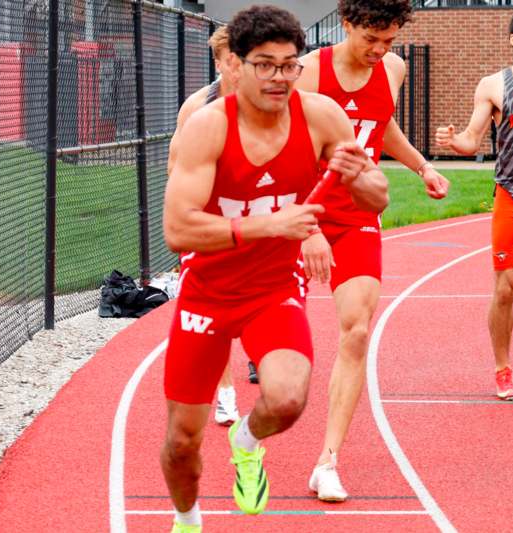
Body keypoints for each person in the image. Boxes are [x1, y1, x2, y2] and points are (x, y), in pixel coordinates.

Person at [161, 6, 389, 532]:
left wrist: (359, 176)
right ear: (236, 66)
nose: (279, 77)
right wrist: (268, 226)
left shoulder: (322, 117)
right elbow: (179, 229)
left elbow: (375, 199)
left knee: (287, 400)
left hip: (272, 289)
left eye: (289, 65)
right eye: (264, 64)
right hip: (207, 293)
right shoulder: (207, 127)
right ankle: (187, 520)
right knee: (181, 442)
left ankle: (246, 441)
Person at [293, 0, 451, 503]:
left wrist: (421, 166)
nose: (380, 51)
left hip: (357, 215)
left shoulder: (394, 68)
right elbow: (287, 148)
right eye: (371, 41)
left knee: (357, 331)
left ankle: (328, 461)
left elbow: (380, 128)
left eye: (389, 42)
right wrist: (307, 229)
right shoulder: (311, 71)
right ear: (347, 25)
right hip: (299, 214)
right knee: (271, 346)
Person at [436, 7, 513, 402]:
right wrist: (454, 142)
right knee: (505, 289)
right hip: (512, 198)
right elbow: (473, 139)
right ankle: (503, 370)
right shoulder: (493, 85)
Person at [168, 26, 248, 428]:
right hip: (212, 221)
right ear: (218, 63)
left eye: (241, 59)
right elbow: (174, 168)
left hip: (257, 217)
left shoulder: (272, 104)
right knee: (215, 315)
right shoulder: (197, 107)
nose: (235, 68)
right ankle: (226, 394)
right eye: (228, 61)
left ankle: (260, 353)